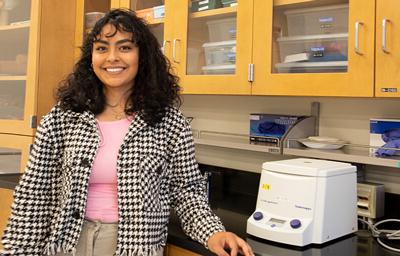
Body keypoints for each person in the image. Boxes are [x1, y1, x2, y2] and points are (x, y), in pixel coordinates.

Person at [1, 8, 253, 256]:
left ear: (142, 56)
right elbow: (34, 194)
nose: (112, 57)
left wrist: (214, 233)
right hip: (67, 242)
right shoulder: (63, 117)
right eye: (101, 48)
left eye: (124, 47)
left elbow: (186, 191)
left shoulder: (169, 122)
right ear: (91, 57)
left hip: (135, 245)